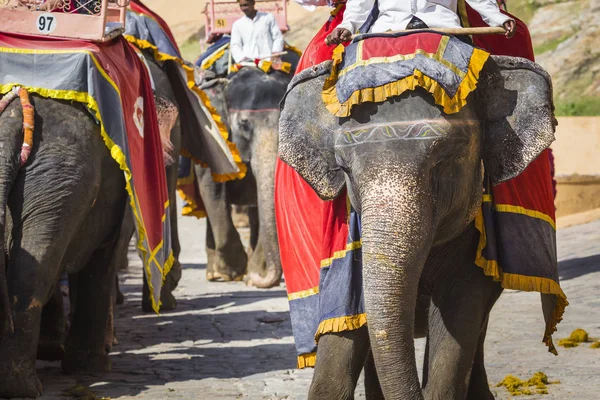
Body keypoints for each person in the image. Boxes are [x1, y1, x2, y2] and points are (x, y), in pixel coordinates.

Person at [326, 0, 516, 45]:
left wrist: (499, 18)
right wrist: (347, 25)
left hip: (444, 27)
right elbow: (360, 2)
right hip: (387, 30)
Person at [230, 0, 284, 65]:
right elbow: (235, 45)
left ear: (253, 3)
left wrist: (275, 52)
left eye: (245, 5)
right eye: (241, 6)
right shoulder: (237, 24)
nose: (243, 8)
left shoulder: (268, 18)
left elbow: (278, 37)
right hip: (249, 65)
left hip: (269, 62)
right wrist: (242, 59)